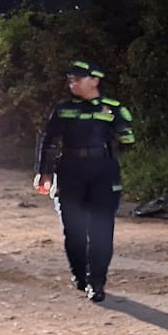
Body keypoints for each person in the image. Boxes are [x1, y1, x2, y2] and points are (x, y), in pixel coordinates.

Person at [34, 60, 135, 303]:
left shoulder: (113, 108)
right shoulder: (63, 109)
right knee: (74, 231)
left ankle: (97, 281)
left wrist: (117, 138)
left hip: (103, 173)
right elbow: (48, 141)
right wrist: (44, 172)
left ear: (95, 80)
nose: (73, 82)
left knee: (101, 231)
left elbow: (129, 141)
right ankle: (80, 276)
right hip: (70, 171)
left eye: (78, 78)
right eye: (70, 79)